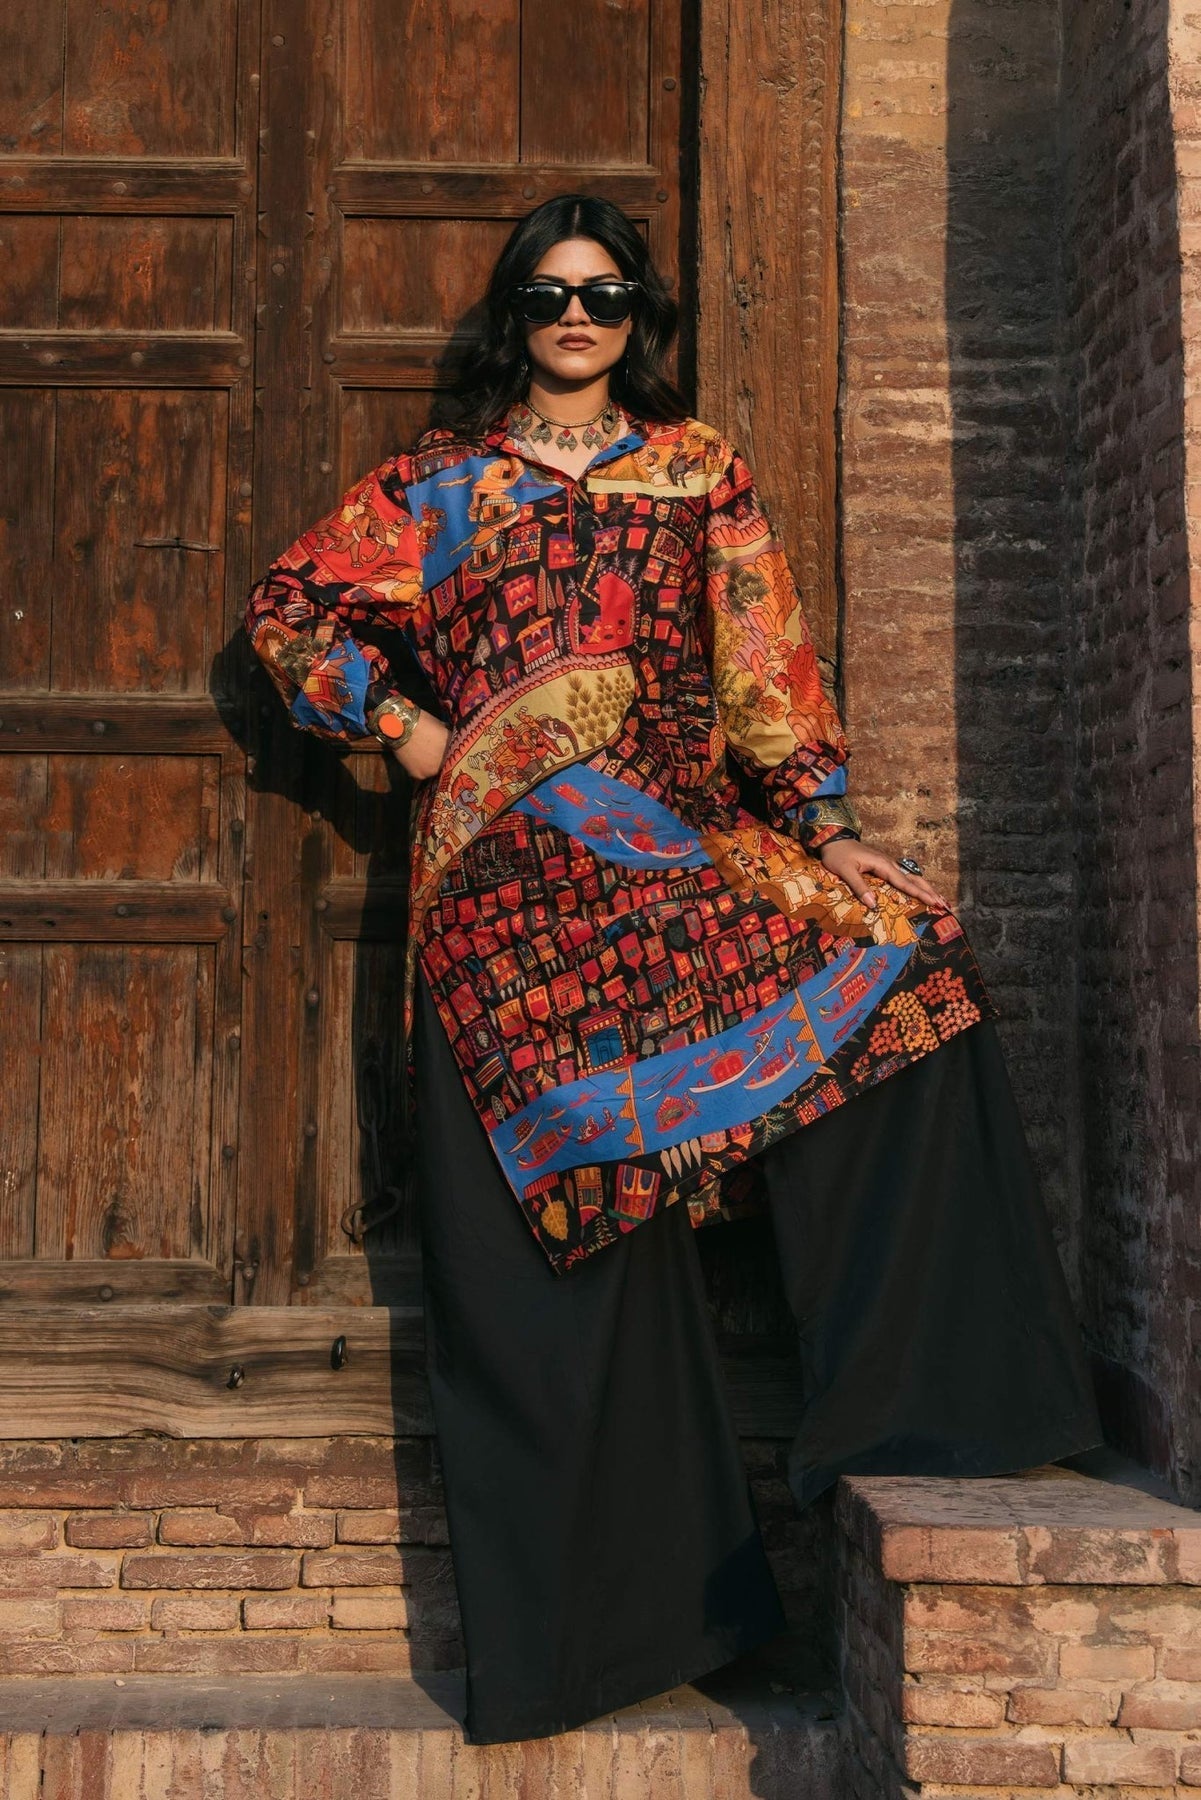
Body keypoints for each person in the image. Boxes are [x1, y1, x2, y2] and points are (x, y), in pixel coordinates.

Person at [244, 194, 1102, 1745]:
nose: (576, 317)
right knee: (560, 1235)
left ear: (639, 315)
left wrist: (825, 827)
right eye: (548, 294)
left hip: (672, 858)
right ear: (513, 314)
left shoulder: (698, 468)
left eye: (605, 293)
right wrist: (411, 730)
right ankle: (619, 1636)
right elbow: (289, 612)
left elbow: (760, 662)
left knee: (904, 971)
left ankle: (919, 1412)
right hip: (503, 898)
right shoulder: (437, 483)